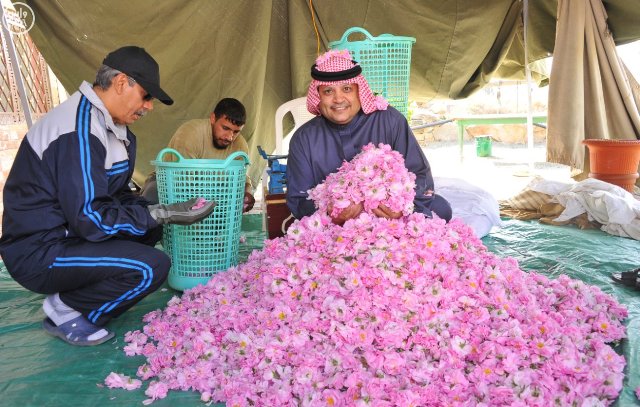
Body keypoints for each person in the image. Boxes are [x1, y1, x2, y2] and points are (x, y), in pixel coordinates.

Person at [0, 46, 215, 346]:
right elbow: (90, 218)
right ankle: (68, 306)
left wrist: (160, 210)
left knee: (149, 225)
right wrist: (159, 213)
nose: (149, 107)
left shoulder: (113, 128)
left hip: (69, 234)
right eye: (146, 96)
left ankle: (74, 294)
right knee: (151, 267)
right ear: (121, 83)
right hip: (39, 251)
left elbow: (116, 196)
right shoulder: (78, 131)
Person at [286, 49, 452, 225]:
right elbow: (299, 198)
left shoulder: (390, 120)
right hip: (337, 225)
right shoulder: (304, 138)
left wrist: (401, 207)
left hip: (390, 217)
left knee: (441, 209)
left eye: (347, 89)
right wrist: (332, 213)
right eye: (328, 91)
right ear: (318, 96)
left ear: (359, 91)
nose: (338, 99)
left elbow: (418, 173)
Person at [140, 98, 255, 212]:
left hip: (214, 192)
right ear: (213, 118)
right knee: (151, 198)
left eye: (236, 131)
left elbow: (241, 178)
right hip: (171, 183)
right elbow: (182, 183)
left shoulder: (240, 146)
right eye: (225, 128)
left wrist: (247, 192)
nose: (229, 137)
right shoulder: (190, 133)